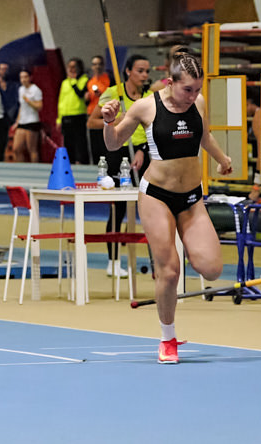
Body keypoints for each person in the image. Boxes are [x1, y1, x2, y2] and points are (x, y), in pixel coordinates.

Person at [97, 52, 234, 364]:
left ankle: (180, 261)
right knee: (170, 271)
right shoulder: (146, 107)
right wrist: (108, 121)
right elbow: (113, 143)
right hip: (156, 196)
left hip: (191, 197)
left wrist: (222, 159)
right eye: (187, 90)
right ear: (170, 82)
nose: (193, 96)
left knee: (212, 269)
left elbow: (204, 136)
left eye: (197, 90)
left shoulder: (198, 103)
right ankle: (167, 339)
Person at [98, 54, 152, 277]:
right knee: (118, 208)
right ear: (128, 71)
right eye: (140, 70)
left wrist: (142, 150)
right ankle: (113, 261)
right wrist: (113, 120)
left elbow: (152, 128)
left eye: (147, 71)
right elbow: (91, 121)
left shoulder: (149, 97)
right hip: (117, 152)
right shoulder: (113, 93)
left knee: (150, 208)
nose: (145, 75)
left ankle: (157, 260)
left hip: (142, 153)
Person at [58, 57, 89, 166]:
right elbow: (61, 101)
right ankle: (69, 162)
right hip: (66, 116)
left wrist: (74, 81)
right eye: (69, 67)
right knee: (68, 141)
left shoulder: (84, 80)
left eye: (74, 67)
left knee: (80, 141)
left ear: (79, 68)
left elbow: (80, 94)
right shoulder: (65, 82)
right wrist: (59, 119)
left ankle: (81, 161)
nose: (71, 69)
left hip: (78, 115)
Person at [11, 67, 45, 163]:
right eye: (21, 77)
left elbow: (39, 106)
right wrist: (17, 122)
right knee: (16, 149)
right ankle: (20, 168)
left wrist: (29, 101)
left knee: (32, 149)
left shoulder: (35, 90)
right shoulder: (21, 89)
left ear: (30, 77)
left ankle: (35, 168)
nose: (23, 80)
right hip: (22, 122)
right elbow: (21, 107)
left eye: (25, 77)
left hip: (32, 121)